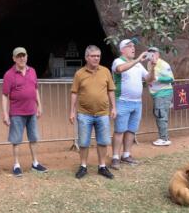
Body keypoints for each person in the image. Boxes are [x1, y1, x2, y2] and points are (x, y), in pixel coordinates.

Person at [69, 45, 117, 179]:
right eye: (93, 56)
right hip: (84, 113)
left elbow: (111, 90)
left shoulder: (106, 71)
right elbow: (74, 93)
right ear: (86, 57)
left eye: (98, 56)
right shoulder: (79, 74)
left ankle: (102, 166)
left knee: (103, 141)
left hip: (102, 113)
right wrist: (72, 111)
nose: (96, 58)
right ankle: (83, 166)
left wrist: (114, 107)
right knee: (83, 142)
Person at [2, 47, 48, 177]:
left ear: (27, 57)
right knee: (16, 140)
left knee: (33, 138)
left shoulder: (32, 71)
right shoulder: (9, 74)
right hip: (17, 112)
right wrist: (5, 114)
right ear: (14, 58)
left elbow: (35, 89)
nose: (21, 58)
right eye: (19, 56)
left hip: (32, 111)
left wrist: (39, 105)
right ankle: (16, 164)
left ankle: (35, 163)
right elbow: (5, 95)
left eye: (23, 56)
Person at [111, 39, 155, 170]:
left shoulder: (138, 65)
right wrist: (138, 60)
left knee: (131, 130)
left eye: (134, 46)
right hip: (122, 102)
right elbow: (119, 69)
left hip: (137, 103)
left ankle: (126, 155)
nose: (133, 48)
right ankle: (115, 157)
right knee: (119, 131)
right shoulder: (118, 61)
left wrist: (153, 67)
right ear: (122, 50)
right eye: (129, 46)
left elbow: (149, 79)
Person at [146, 46, 174, 146]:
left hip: (164, 93)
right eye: (149, 53)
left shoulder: (163, 64)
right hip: (156, 93)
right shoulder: (149, 64)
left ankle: (164, 138)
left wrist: (157, 78)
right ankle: (163, 137)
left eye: (153, 53)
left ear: (158, 54)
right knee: (159, 114)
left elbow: (171, 79)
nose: (151, 55)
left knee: (161, 114)